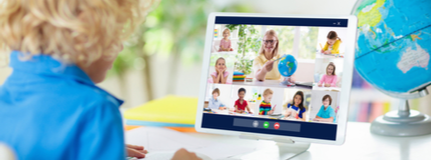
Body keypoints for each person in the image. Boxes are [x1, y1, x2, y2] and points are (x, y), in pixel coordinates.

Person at [0, 0, 200, 159]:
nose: (120, 47)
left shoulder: (7, 92)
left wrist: (96, 147)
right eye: (117, 34)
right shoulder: (96, 110)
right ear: (85, 34)